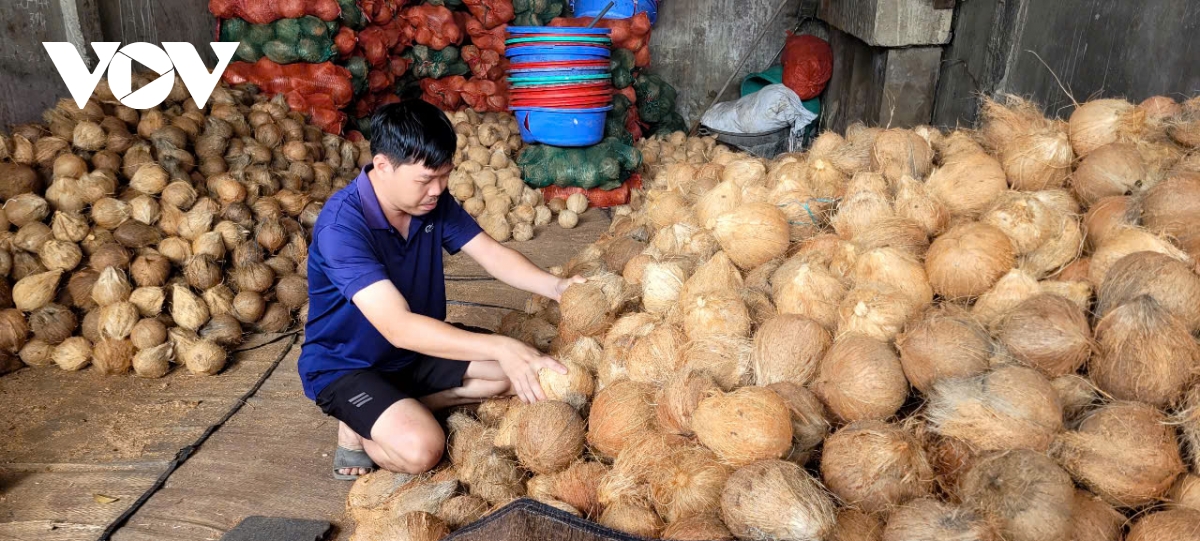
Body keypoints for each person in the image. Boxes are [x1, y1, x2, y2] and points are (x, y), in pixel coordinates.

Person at [298, 101, 581, 480]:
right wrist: (500, 345)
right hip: (349, 366)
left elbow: (492, 254)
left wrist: (557, 286)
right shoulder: (342, 228)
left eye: (445, 175)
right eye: (426, 179)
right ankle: (357, 428)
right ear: (383, 166)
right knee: (422, 449)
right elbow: (397, 326)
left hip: (415, 351)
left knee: (515, 374)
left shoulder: (431, 202)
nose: (437, 190)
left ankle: (393, 408)